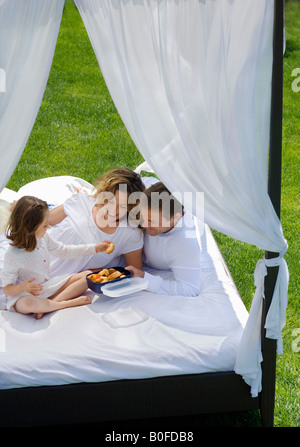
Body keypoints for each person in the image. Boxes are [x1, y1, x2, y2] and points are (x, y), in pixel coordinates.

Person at [1, 196, 113, 317]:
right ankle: (64, 304)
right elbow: (7, 289)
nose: (48, 227)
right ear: (30, 227)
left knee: (88, 276)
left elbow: (65, 250)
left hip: (43, 287)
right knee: (28, 304)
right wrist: (23, 287)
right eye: (44, 225)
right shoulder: (13, 255)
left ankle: (49, 304)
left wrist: (95, 248)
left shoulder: (43, 239)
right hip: (22, 295)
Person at [47, 167, 145, 277]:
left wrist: (100, 272)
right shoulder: (80, 201)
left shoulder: (130, 234)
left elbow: (134, 273)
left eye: (122, 206)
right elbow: (43, 222)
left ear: (130, 207)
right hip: (37, 258)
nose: (113, 209)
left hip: (65, 282)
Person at [126, 181, 202, 297]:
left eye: (152, 221)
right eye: (143, 217)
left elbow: (190, 289)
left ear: (175, 218)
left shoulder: (185, 243)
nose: (144, 225)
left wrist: (143, 278)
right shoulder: (146, 201)